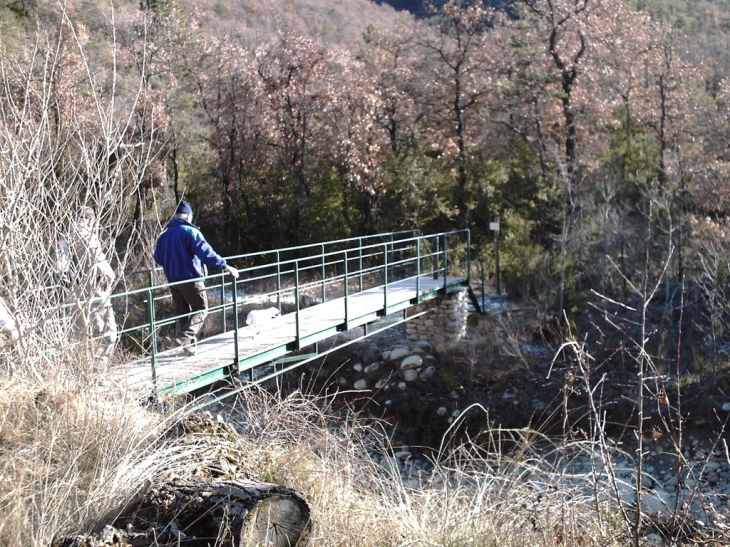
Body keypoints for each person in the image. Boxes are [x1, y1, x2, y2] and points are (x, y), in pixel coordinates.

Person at [153, 201, 239, 355]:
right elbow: (206, 253)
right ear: (187, 215)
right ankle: (184, 337)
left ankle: (189, 347)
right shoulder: (191, 232)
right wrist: (225, 266)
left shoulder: (164, 235)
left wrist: (173, 263)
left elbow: (158, 258)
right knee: (201, 308)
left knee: (183, 312)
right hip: (191, 278)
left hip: (173, 280)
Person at [56, 206, 118, 365]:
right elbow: (99, 262)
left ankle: (82, 370)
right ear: (88, 220)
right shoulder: (85, 236)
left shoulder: (64, 239)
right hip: (94, 292)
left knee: (81, 333)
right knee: (107, 332)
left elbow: (61, 269)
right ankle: (98, 369)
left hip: (75, 295)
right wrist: (109, 276)